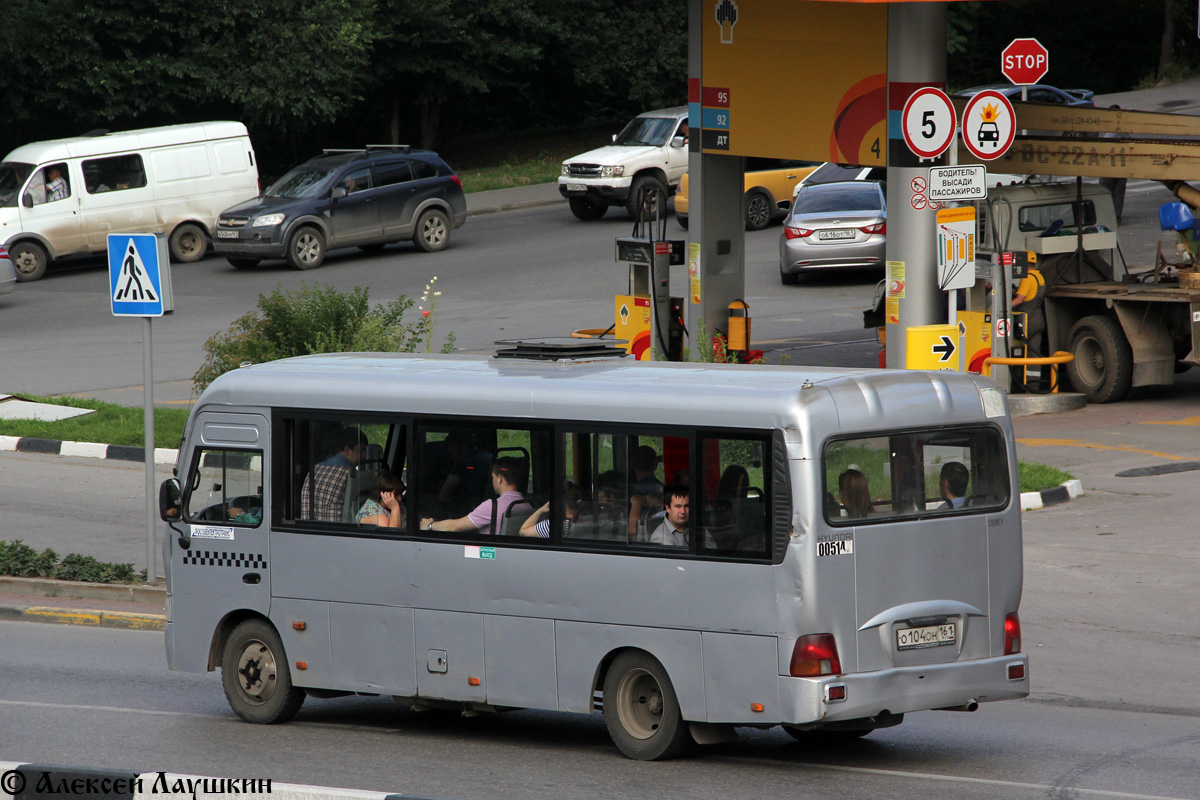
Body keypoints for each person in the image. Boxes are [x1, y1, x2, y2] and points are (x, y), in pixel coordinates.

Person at [421, 456, 526, 536]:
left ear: (500, 478)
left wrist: (429, 525)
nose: (492, 481)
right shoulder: (526, 505)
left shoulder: (492, 506)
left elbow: (453, 527)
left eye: (492, 477)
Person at [300, 426, 367, 522]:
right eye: (360, 451)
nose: (364, 455)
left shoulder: (315, 469)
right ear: (348, 450)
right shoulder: (350, 475)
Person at [627, 445, 663, 538]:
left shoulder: (628, 492)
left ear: (632, 465)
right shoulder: (667, 490)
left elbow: (633, 531)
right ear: (655, 465)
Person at [1099, 105, 1127, 223]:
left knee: (1104, 190)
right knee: (1119, 192)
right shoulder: (1124, 129)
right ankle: (1116, 216)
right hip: (1122, 164)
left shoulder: (1113, 131)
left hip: (1110, 165)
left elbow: (1104, 145)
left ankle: (1106, 216)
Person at [1012, 265, 1046, 357]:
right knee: (1034, 352)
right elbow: (1031, 293)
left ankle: (1014, 371)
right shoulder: (1039, 277)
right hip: (1038, 320)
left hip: (1027, 322)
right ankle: (1034, 372)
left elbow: (1019, 300)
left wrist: (1002, 308)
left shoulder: (1027, 278)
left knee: (1015, 349)